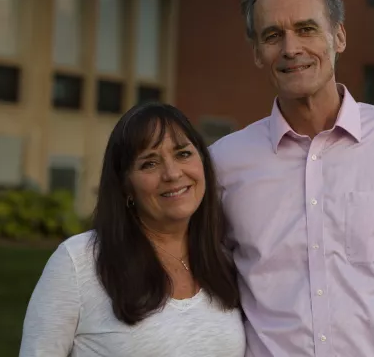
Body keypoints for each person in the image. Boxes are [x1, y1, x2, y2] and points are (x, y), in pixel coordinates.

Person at [208, 0, 374, 356]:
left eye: (306, 29)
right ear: (257, 52)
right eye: (273, 35)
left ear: (339, 36)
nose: (291, 48)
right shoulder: (223, 164)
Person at [19, 102, 245, 357]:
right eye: (149, 163)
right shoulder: (78, 262)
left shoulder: (223, 263)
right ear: (126, 187)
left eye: (182, 154)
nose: (172, 173)